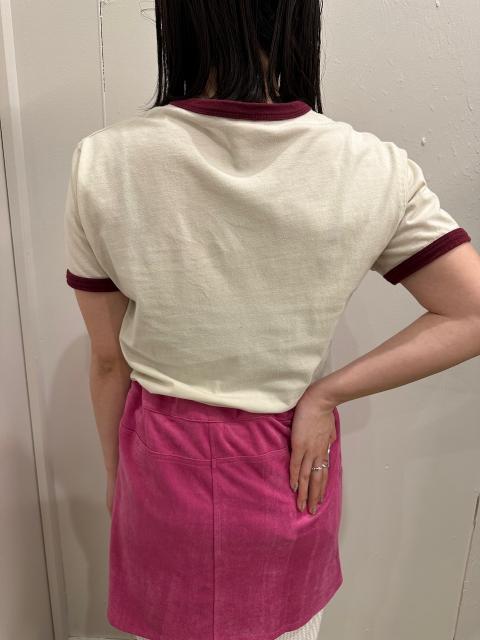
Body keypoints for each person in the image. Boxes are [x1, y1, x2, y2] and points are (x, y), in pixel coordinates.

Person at [63, 1, 480, 639]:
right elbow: (469, 311)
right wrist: (326, 394)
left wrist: (119, 481)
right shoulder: (372, 168)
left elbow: (107, 360)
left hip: (162, 470)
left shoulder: (105, 161)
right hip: (288, 466)